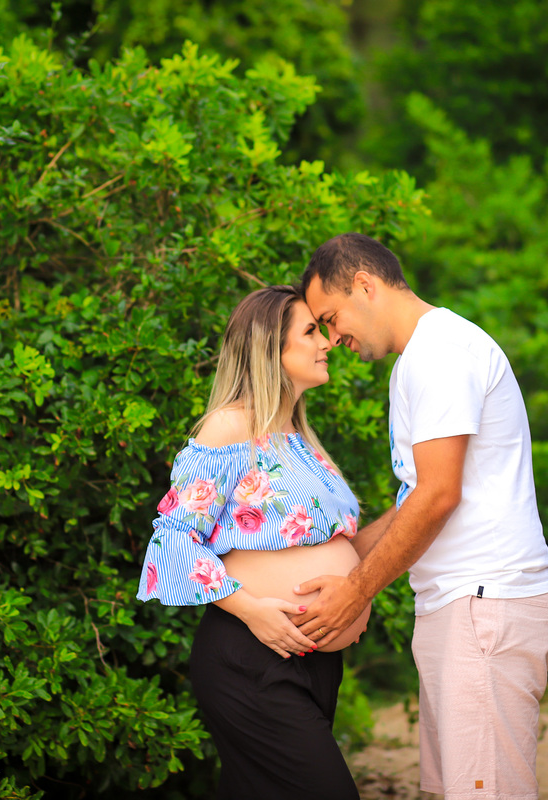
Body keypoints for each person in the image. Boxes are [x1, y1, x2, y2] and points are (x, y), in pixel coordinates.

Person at [292, 233, 548, 800]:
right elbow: (416, 498)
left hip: (484, 605)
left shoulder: (440, 353)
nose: (333, 338)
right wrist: (335, 565)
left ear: (365, 285)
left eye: (331, 317)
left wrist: (356, 591)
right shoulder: (417, 361)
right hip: (463, 608)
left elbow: (438, 496)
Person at [136, 284, 369, 800]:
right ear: (271, 350)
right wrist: (252, 611)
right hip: (252, 653)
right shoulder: (231, 426)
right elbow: (173, 540)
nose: (327, 341)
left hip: (314, 659)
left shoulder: (299, 436)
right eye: (310, 331)